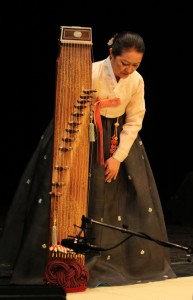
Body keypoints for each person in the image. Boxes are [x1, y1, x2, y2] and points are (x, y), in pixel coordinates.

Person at [0, 30, 176, 288]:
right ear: (111, 54)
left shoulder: (136, 81)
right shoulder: (90, 71)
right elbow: (69, 105)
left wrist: (117, 157)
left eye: (135, 65)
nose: (128, 69)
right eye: (124, 63)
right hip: (79, 133)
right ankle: (60, 258)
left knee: (119, 197)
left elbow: (135, 120)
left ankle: (116, 262)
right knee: (67, 193)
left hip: (116, 138)